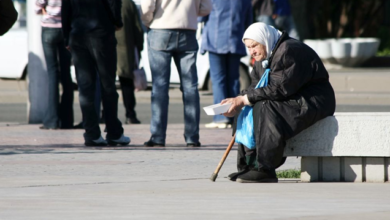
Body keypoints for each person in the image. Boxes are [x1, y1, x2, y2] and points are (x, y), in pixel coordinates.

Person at [221, 23, 335, 183]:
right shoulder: (264, 56)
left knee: (264, 106)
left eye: (254, 46)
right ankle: (249, 166)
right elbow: (254, 88)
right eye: (248, 48)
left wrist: (245, 99)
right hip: (292, 98)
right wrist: (235, 103)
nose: (251, 52)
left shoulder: (288, 50)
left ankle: (265, 168)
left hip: (314, 101)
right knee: (245, 106)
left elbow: (280, 88)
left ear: (265, 39)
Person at [140, 0, 212, 147]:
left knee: (160, 86)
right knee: (190, 87)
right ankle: (192, 137)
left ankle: (158, 136)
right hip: (188, 29)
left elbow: (147, 6)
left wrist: (147, 21)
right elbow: (206, 8)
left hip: (160, 28)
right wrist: (189, 13)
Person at [62, 0, 130, 146]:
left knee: (85, 87)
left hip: (77, 34)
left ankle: (91, 133)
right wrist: (116, 22)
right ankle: (114, 132)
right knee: (108, 85)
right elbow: (114, 3)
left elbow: (65, 9)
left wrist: (66, 36)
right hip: (101, 32)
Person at [200, 0, 252, 129]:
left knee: (218, 80)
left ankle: (220, 117)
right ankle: (233, 116)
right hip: (235, 40)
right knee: (233, 80)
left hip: (215, 41)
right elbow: (248, 21)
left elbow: (202, 15)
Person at [36, 0, 74, 130]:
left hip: (48, 27)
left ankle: (52, 120)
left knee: (52, 73)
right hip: (66, 28)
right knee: (66, 74)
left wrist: (42, 9)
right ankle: (67, 120)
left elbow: (38, 4)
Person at [116, 0, 143, 125]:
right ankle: (130, 114)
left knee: (106, 84)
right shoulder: (128, 3)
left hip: (106, 47)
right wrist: (139, 47)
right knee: (127, 83)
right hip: (125, 48)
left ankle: (105, 114)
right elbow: (138, 28)